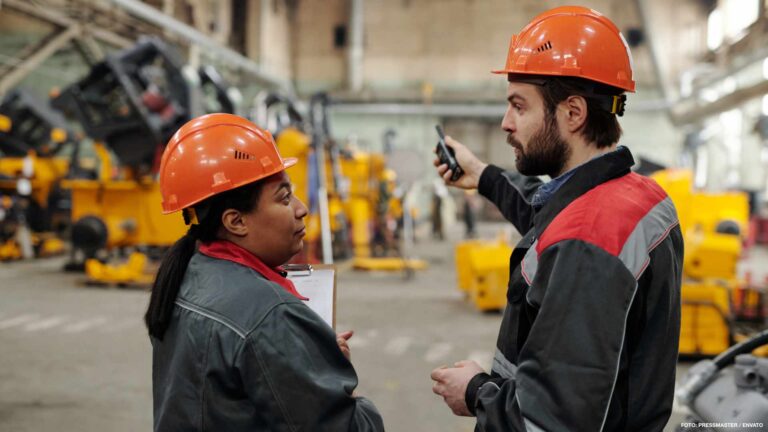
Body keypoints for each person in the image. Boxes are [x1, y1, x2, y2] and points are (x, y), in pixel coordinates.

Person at [430, 6, 683, 431]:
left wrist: (475, 391)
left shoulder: (586, 245)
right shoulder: (634, 195)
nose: (506, 123)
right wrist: (483, 176)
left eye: (519, 106)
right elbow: (546, 212)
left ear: (573, 113)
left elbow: (550, 420)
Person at [145, 113, 384, 431]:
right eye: (284, 198)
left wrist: (305, 361)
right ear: (236, 221)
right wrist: (330, 381)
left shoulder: (187, 274)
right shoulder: (270, 314)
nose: (301, 208)